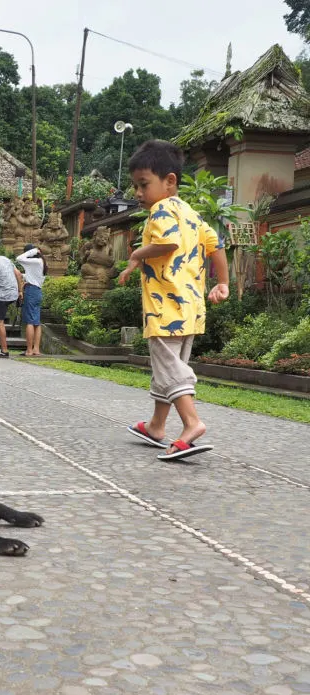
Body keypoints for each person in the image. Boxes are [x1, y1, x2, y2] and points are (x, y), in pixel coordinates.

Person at [119, 139, 230, 461]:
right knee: (168, 368)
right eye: (135, 186)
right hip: (191, 307)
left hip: (165, 307)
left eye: (144, 185)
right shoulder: (191, 214)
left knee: (170, 370)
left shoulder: (161, 209)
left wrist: (138, 253)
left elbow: (165, 244)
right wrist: (222, 282)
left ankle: (192, 423)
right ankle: (156, 425)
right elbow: (217, 246)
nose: (138, 193)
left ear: (169, 182)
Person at [16, 243, 47, 357]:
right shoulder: (41, 262)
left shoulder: (35, 261)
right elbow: (33, 276)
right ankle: (36, 349)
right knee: (36, 322)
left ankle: (29, 350)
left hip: (31, 291)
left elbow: (19, 258)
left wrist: (34, 251)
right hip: (37, 291)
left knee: (29, 321)